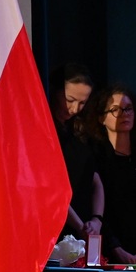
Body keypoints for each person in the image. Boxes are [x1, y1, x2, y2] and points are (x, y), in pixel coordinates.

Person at [85, 85, 136, 265]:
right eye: (116, 110)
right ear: (101, 118)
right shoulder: (96, 158)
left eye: (128, 108)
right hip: (109, 255)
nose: (125, 114)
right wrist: (116, 249)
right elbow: (96, 209)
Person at [48, 63, 104, 241]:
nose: (74, 109)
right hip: (56, 228)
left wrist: (97, 219)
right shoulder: (45, 130)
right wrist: (80, 226)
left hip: (83, 227)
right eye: (69, 99)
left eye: (82, 103)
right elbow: (51, 190)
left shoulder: (80, 130)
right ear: (55, 91)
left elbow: (96, 180)